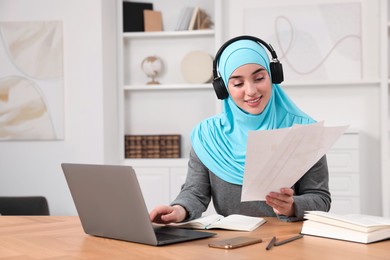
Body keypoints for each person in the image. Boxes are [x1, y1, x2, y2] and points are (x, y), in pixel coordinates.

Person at [149, 35, 331, 223]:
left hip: (287, 242)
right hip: (231, 243)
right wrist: (178, 210)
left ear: (273, 76)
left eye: (259, 78)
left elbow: (320, 198)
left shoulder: (305, 130)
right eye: (238, 83)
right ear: (224, 88)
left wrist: (292, 206)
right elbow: (195, 193)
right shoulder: (208, 135)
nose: (251, 91)